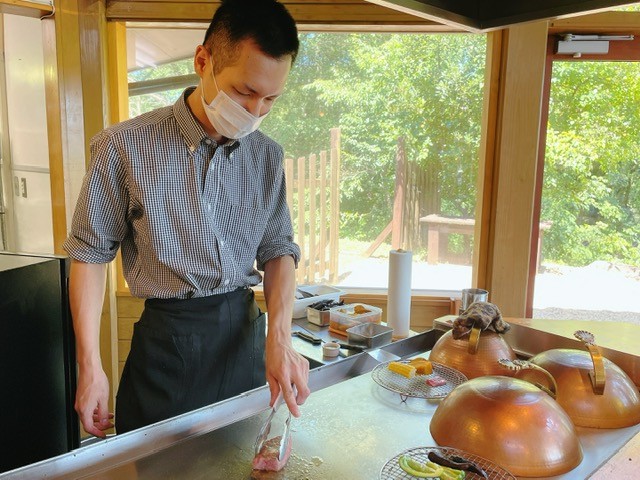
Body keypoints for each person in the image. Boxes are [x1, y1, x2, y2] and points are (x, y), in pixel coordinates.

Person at [63, 0, 310, 437]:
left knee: (243, 462)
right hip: (167, 347)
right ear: (203, 61)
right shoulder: (125, 147)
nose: (255, 112)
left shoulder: (267, 156)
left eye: (270, 98)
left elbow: (278, 250)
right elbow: (89, 254)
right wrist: (90, 366)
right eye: (244, 92)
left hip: (244, 339)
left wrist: (280, 337)